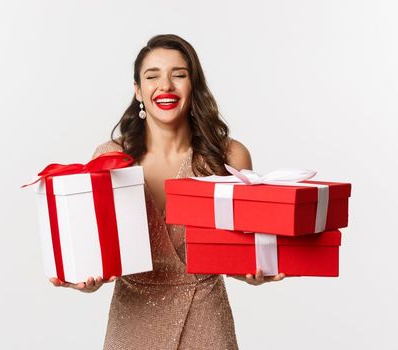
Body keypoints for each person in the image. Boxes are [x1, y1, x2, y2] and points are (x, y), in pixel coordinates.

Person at [48, 34, 287, 349]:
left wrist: (251, 274)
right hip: (132, 321)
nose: (166, 85)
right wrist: (87, 281)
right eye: (152, 76)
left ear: (193, 85)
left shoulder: (229, 157)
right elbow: (97, 255)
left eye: (179, 74)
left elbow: (240, 253)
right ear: (138, 91)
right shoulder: (108, 159)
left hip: (205, 317)